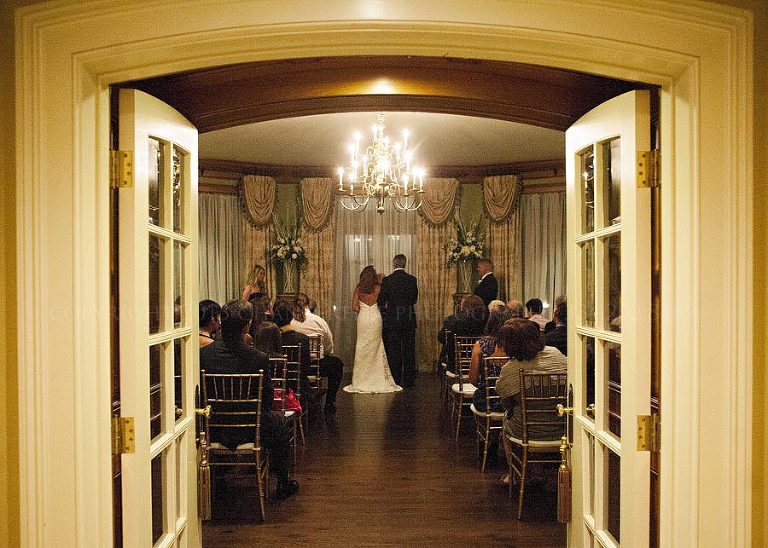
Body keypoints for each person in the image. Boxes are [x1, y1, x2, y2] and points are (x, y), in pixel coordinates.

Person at [199, 300, 299, 500]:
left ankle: (218, 478)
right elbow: (268, 399)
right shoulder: (258, 358)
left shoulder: (204, 356)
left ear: (221, 322)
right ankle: (282, 482)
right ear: (246, 327)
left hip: (212, 426)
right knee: (279, 422)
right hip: (251, 428)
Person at [495, 319, 567, 483]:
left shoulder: (511, 368)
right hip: (562, 427)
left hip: (527, 431)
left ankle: (515, 475)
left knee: (507, 422)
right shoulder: (556, 354)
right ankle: (543, 473)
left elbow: (507, 403)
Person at [344, 265, 402, 393]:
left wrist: (362, 306)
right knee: (376, 346)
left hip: (363, 318)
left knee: (362, 346)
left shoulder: (359, 289)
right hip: (376, 317)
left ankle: (361, 380)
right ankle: (377, 378)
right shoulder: (379, 288)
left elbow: (354, 307)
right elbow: (385, 305)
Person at [291, 293, 344, 413]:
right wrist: (326, 353)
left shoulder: (291, 322)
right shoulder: (318, 321)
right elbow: (329, 343)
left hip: (296, 368)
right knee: (337, 364)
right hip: (316, 365)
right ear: (308, 304)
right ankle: (329, 403)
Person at [378, 254, 419, 387]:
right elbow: (414, 299)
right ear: (405, 264)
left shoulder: (387, 280)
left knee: (394, 350)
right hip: (408, 319)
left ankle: (395, 378)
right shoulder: (412, 279)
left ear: (394, 264)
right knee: (409, 350)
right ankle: (409, 380)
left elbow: (381, 301)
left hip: (392, 319)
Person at [469, 306, 514, 413]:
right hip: (512, 401)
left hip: (486, 402)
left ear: (490, 321)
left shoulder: (480, 345)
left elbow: (473, 379)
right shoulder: (516, 344)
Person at [437, 294, 486, 372]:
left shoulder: (452, 320)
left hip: (454, 363)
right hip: (481, 364)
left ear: (464, 306)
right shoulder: (485, 321)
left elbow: (441, 338)